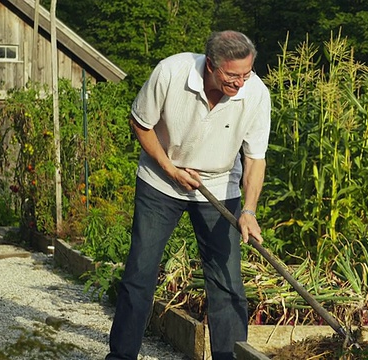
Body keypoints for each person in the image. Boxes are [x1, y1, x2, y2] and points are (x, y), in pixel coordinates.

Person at [106, 30, 271, 360]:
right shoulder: (171, 72)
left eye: (246, 73)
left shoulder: (256, 94)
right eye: (233, 75)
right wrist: (169, 168)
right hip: (161, 181)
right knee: (140, 273)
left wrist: (249, 210)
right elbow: (140, 123)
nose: (241, 82)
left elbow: (255, 158)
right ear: (210, 65)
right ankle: (121, 356)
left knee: (227, 284)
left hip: (220, 187)